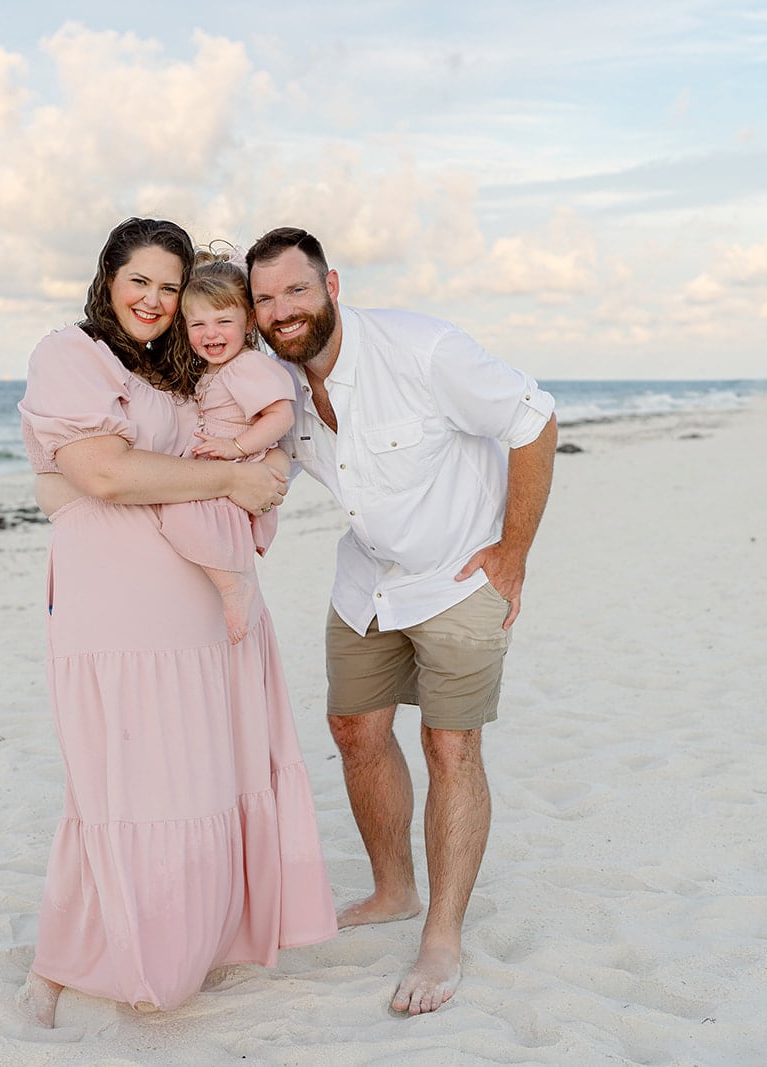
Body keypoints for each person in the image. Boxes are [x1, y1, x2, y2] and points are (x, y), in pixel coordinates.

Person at [15, 218, 337, 1028]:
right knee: (120, 775)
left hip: (200, 599)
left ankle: (200, 936)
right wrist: (229, 479)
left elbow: (261, 439)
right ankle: (85, 950)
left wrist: (258, 474)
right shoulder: (70, 354)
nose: (156, 300)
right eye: (141, 281)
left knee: (199, 771)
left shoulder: (182, 369)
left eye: (170, 285)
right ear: (107, 280)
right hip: (114, 602)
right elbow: (102, 473)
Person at [245, 226, 558, 1016]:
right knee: (354, 729)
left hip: (457, 575)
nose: (282, 309)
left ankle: (443, 936)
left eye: (296, 289)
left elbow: (532, 419)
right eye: (265, 298)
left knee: (450, 745)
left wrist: (512, 552)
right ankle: (393, 889)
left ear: (332, 286)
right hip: (368, 582)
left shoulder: (423, 351)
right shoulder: (274, 384)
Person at [156, 252, 296, 644]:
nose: (210, 333)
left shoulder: (246, 366)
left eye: (223, 322)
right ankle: (230, 584)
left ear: (249, 322)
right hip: (221, 467)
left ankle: (235, 585)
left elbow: (280, 416)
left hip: (235, 468)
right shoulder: (216, 369)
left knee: (177, 513)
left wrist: (236, 447)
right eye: (197, 324)